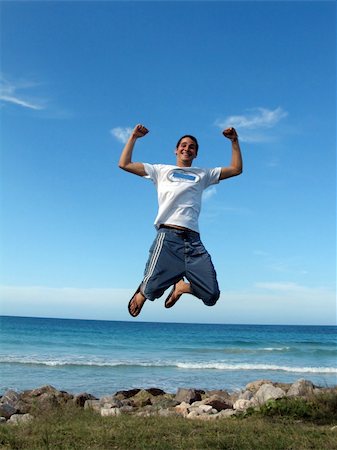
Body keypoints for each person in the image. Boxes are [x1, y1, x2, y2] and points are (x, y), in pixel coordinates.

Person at [118, 124, 243, 317]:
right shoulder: (160, 170)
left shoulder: (203, 174)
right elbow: (124, 164)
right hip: (168, 238)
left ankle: (181, 287)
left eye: (192, 146)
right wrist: (133, 137)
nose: (187, 148)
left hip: (193, 242)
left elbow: (236, 169)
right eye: (183, 145)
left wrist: (234, 141)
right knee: (152, 291)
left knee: (211, 296)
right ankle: (144, 291)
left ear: (195, 154)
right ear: (176, 150)